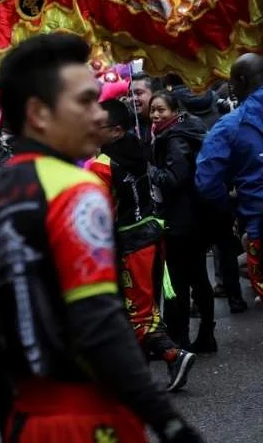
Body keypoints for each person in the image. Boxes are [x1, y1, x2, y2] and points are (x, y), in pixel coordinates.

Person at [0, 33, 201, 442]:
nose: (98, 115)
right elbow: (100, 322)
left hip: (28, 422)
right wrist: (169, 422)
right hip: (92, 419)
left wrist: (13, 425)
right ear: (39, 113)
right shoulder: (76, 189)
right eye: (85, 101)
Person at [86, 100, 195, 389]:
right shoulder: (139, 148)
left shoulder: (102, 165)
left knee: (136, 313)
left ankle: (173, 355)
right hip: (153, 236)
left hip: (131, 245)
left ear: (117, 130)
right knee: (144, 310)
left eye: (97, 126)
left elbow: (99, 215)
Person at [148, 92, 214, 352]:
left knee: (179, 281)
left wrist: (151, 171)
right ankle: (206, 335)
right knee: (198, 277)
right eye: (153, 110)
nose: (155, 115)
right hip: (196, 217)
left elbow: (176, 178)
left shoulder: (174, 138)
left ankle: (181, 338)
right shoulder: (183, 130)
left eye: (161, 110)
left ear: (174, 111)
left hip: (181, 220)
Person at [197, 52, 263, 301]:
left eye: (232, 81)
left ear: (243, 81)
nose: (230, 88)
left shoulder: (229, 126)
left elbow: (206, 183)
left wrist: (232, 205)